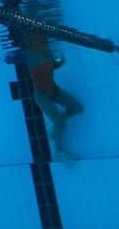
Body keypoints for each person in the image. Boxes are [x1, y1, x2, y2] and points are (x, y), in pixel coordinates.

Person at [24, 33, 84, 161]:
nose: (45, 46)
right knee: (59, 122)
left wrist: (60, 62)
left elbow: (52, 66)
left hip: (54, 90)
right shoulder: (32, 58)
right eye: (42, 44)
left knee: (78, 108)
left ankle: (56, 128)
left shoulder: (47, 54)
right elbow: (37, 66)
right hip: (41, 95)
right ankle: (59, 151)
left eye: (45, 44)